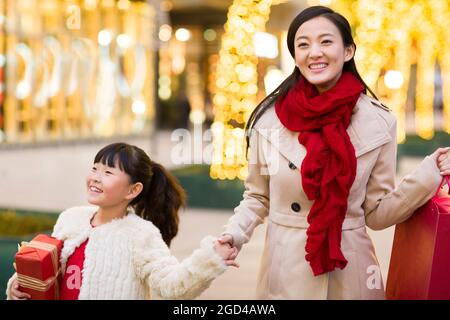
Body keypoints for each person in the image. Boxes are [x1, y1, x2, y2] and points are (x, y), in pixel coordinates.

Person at [218, 5, 450, 299]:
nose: (314, 52)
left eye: (326, 41)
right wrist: (234, 234)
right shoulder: (268, 120)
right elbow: (257, 197)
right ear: (295, 56)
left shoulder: (379, 122)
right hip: (286, 272)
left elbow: (377, 214)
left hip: (350, 272)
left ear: (349, 51)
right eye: (303, 45)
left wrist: (429, 174)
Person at [7, 142, 238, 300]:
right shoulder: (71, 219)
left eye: (108, 173)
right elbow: (49, 273)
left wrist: (210, 260)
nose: (96, 177)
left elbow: (173, 286)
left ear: (133, 190)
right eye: (95, 168)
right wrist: (20, 285)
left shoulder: (141, 235)